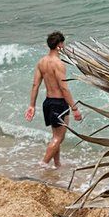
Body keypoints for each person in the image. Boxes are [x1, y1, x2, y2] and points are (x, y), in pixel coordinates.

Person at [26, 31, 81, 169]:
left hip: (48, 103)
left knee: (56, 135)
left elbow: (35, 85)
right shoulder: (58, 64)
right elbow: (64, 89)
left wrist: (32, 105)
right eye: (63, 43)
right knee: (59, 138)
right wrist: (74, 108)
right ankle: (43, 164)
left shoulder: (42, 62)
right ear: (59, 45)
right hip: (59, 104)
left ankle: (57, 164)